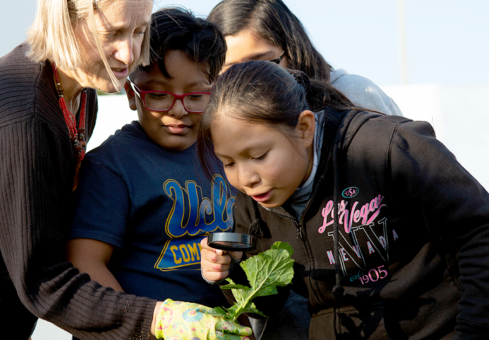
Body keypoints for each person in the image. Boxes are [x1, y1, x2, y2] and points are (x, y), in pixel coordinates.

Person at [0, 0, 251, 339]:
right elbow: (43, 281)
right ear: (66, 18)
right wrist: (160, 319)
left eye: (138, 32)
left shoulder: (82, 92)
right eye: (112, 33)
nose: (130, 55)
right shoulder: (23, 118)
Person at [198, 61, 489, 339]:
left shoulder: (383, 148)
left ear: (304, 128)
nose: (246, 178)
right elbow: (269, 304)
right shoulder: (252, 204)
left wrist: (472, 330)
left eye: (259, 156)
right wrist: (227, 272)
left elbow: (479, 231)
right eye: (228, 163)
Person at [67, 7, 234, 310]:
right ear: (132, 94)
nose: (178, 110)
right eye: (158, 95)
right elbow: (85, 263)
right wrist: (148, 325)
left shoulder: (230, 153)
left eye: (196, 97)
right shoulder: (112, 167)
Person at [207, 0, 403, 117]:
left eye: (260, 64)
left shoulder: (353, 94)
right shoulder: (213, 122)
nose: (246, 80)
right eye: (230, 70)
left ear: (291, 55)